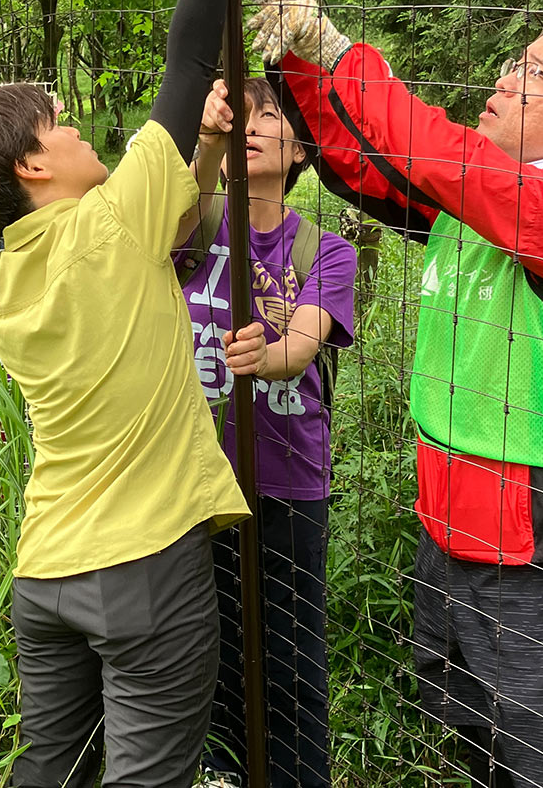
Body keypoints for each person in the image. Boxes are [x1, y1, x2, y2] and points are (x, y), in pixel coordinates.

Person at [239, 0, 543, 788]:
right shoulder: (482, 207)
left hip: (538, 541)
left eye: (534, 74)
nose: (504, 80)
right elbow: (367, 164)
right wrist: (296, 57)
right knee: (479, 750)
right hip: (450, 524)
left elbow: (437, 153)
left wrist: (325, 36)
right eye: (512, 61)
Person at [0, 0, 266, 788]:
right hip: (145, 565)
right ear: (34, 167)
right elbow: (190, 54)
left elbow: (162, 242)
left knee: (51, 772)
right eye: (60, 123)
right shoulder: (108, 228)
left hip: (46, 569)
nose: (77, 128)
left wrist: (196, 154)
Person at [176, 76, 356, 788]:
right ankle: (224, 775)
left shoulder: (324, 249)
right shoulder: (197, 229)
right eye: (240, 117)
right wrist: (205, 143)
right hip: (193, 478)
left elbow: (304, 344)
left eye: (270, 115)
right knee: (209, 653)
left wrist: (266, 354)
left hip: (287, 480)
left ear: (302, 146)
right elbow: (180, 206)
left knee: (288, 659)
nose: (252, 127)